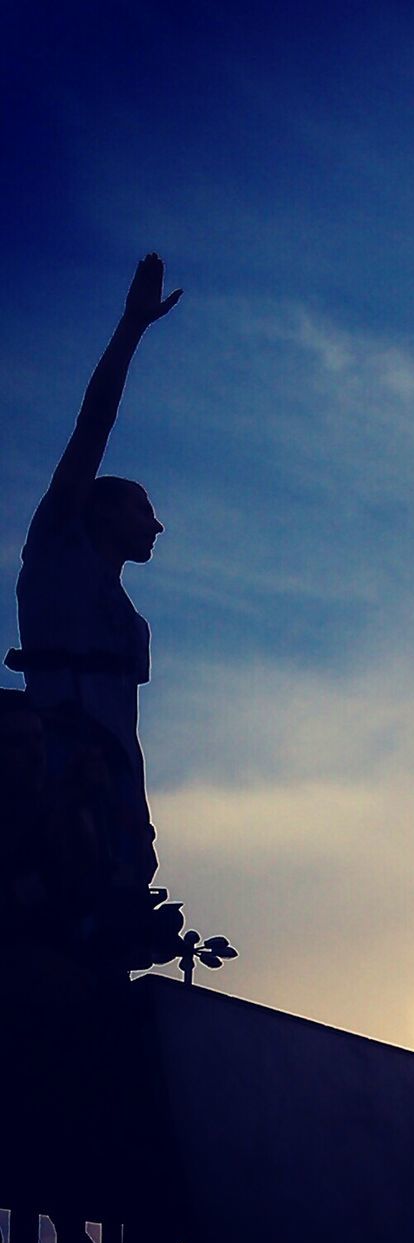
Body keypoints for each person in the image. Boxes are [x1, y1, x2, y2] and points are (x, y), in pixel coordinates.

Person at [6, 254, 180, 893]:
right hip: (55, 772)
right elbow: (94, 423)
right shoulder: (57, 552)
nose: (155, 527)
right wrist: (131, 328)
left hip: (116, 784)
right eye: (143, 510)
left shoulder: (119, 604)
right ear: (98, 510)